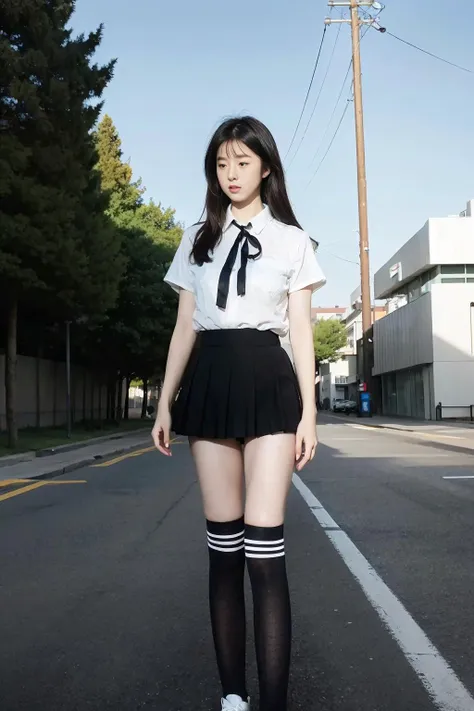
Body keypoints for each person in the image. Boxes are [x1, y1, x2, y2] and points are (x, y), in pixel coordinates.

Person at [152, 116, 326, 711]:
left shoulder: (293, 241)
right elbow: (183, 329)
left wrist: (309, 414)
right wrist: (164, 402)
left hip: (269, 380)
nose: (231, 174)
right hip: (211, 378)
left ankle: (273, 701)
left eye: (243, 163)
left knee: (264, 547)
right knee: (222, 550)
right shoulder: (196, 237)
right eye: (222, 163)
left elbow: (301, 333)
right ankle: (233, 696)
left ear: (266, 168)